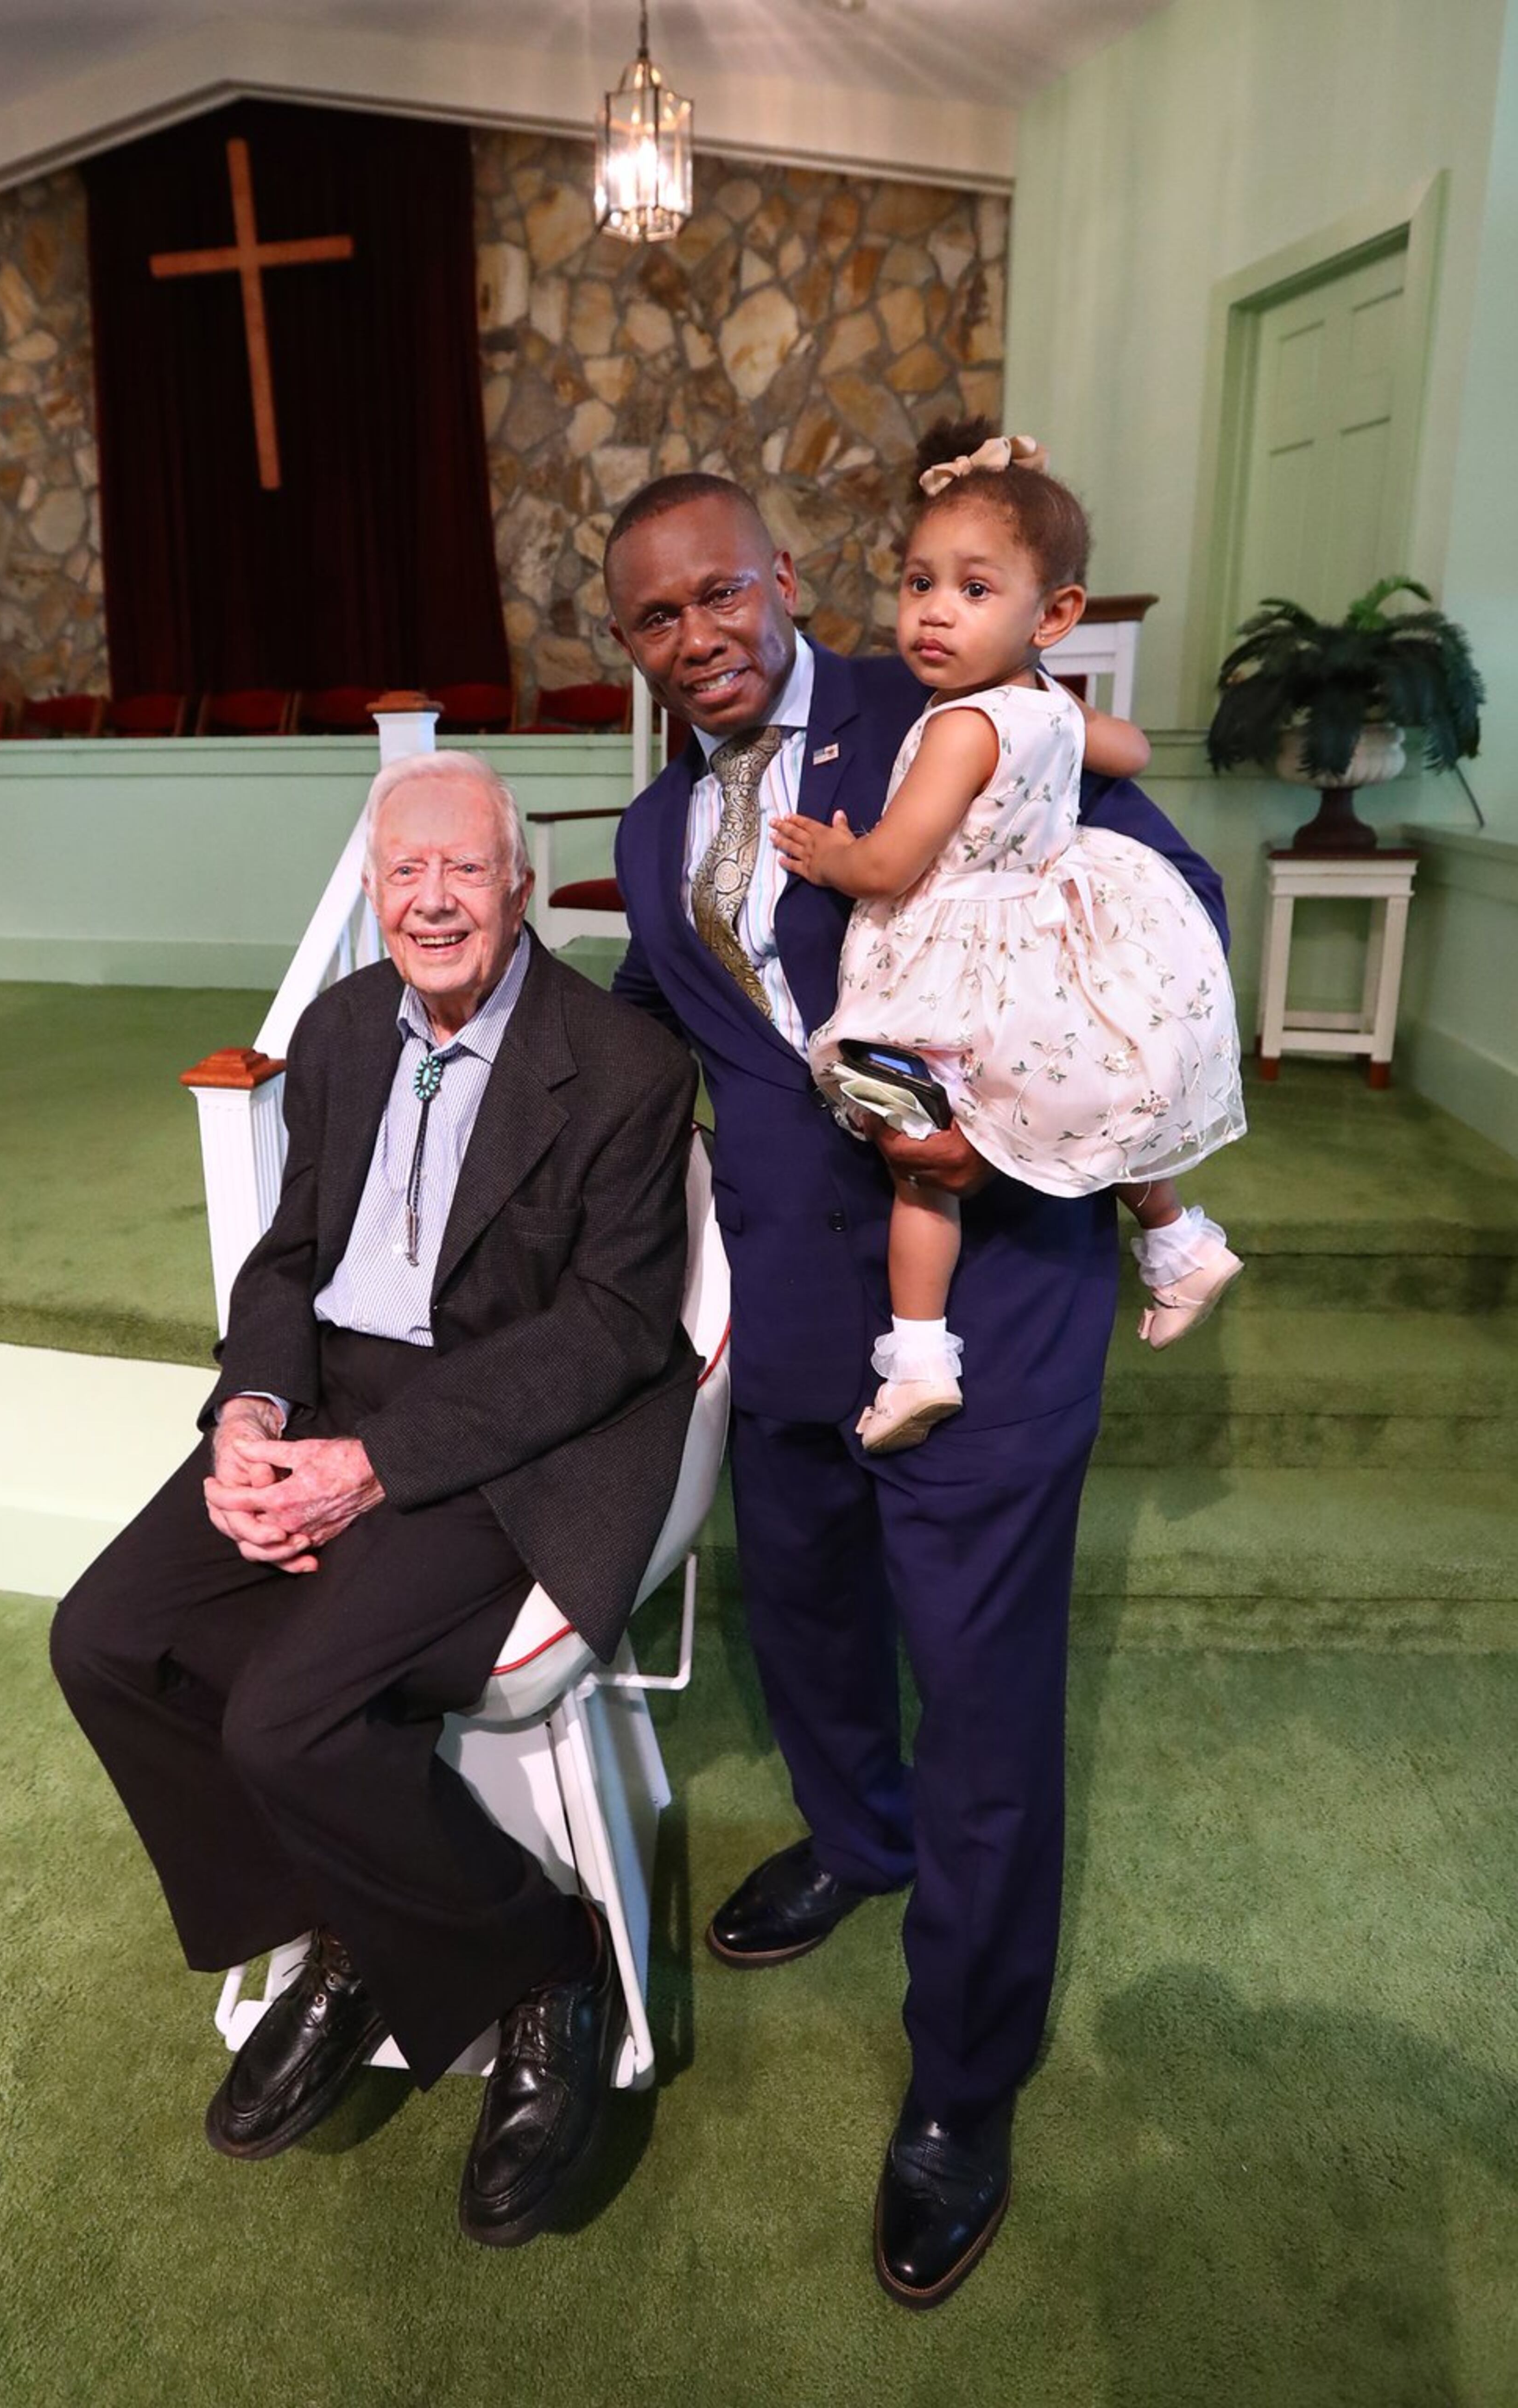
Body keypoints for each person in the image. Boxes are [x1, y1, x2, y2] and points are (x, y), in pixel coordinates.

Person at [602, 466, 1228, 2308]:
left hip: (994, 1284)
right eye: (657, 616)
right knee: (800, 1610)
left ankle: (965, 2081)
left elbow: (1162, 883)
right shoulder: (651, 836)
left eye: (722, 593)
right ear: (631, 641)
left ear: (784, 582)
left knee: (978, 1686)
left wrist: (1038, 1093)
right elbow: (664, 1021)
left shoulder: (955, 698)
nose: (700, 635)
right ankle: (852, 1839)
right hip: (796, 1301)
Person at [50, 751, 699, 2249]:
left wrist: (373, 1469)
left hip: (498, 1442)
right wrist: (253, 1414)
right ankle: (352, 1921)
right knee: (104, 1637)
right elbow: (286, 1259)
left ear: (519, 882)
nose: (431, 899)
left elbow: (608, 1331)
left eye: (462, 868)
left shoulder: (622, 1067)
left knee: (285, 1713)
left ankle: (546, 1966)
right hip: (327, 1401)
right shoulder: (344, 1031)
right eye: (404, 871)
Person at [775, 426, 1245, 1453]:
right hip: (1049, 945)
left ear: (1056, 612)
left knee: (912, 1152)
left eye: (976, 591)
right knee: (1097, 1107)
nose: (935, 611)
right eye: (918, 583)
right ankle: (1177, 1239)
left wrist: (831, 856)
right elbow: (1135, 747)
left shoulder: (960, 724)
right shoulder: (1050, 707)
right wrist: (1066, 723)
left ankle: (918, 1357)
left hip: (961, 960)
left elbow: (896, 865)